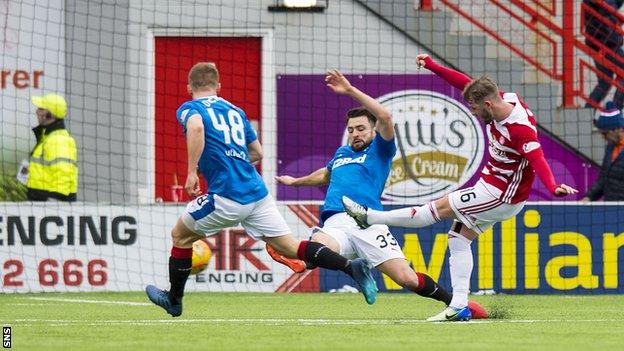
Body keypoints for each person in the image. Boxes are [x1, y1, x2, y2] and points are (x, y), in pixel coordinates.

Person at [342, 54, 578, 322]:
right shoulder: (502, 99)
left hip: (500, 195)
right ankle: (459, 306)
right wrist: (431, 65)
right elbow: (465, 82)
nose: (474, 113)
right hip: (491, 185)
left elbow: (537, 158)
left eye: (475, 109)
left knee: (435, 209)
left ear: (488, 104)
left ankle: (368, 217)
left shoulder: (519, 129)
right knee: (458, 239)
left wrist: (553, 185)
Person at [145, 62, 377, 317]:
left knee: (180, 236)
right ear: (218, 86)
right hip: (258, 194)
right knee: (291, 247)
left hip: (226, 195)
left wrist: (192, 171)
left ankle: (174, 300)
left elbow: (197, 127)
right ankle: (351, 267)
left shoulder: (190, 108)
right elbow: (257, 152)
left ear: (189, 87)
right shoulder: (235, 111)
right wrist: (231, 160)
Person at [272, 70, 487, 320]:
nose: (355, 133)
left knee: (406, 278)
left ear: (372, 130)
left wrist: (350, 89)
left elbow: (384, 116)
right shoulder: (342, 153)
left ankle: (457, 304)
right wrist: (295, 182)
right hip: (336, 222)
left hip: (368, 222)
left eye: (361, 128)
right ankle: (316, 263)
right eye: (351, 129)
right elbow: (325, 175)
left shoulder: (380, 150)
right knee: (319, 246)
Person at [26, 93, 78, 201]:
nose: (36, 112)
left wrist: (54, 205)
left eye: (41, 109)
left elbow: (63, 174)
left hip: (49, 205)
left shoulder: (58, 140)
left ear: (50, 114)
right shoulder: (48, 138)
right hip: (42, 204)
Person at [583, 0, 624, 110]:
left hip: (598, 43)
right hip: (606, 44)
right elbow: (609, 9)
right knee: (605, 82)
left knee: (604, 82)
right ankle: (614, 116)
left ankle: (586, 115)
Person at [582, 101, 624, 201]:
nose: (603, 138)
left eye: (605, 134)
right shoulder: (610, 148)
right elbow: (603, 178)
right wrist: (588, 197)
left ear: (617, 129)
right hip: (609, 208)